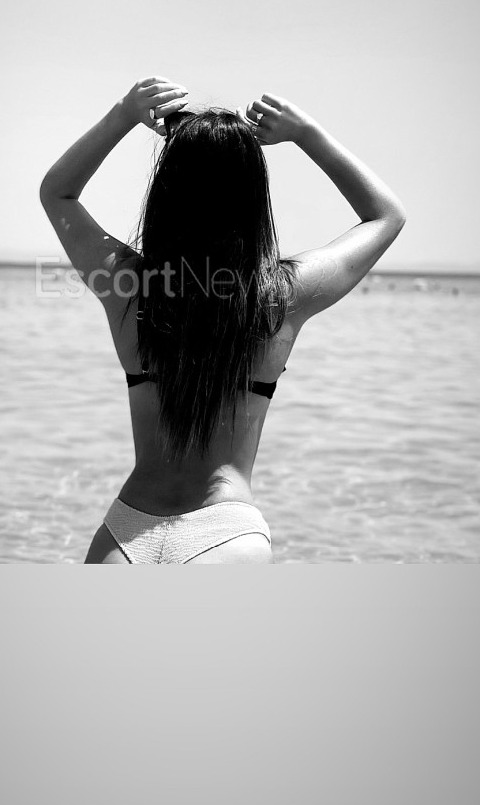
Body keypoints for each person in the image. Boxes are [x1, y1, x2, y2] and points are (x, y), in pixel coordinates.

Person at [39, 78, 406, 564]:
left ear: (166, 192)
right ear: (252, 198)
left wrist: (123, 114)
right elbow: (385, 216)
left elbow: (58, 193)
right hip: (225, 535)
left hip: (127, 532)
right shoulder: (280, 297)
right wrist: (305, 134)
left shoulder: (129, 286)